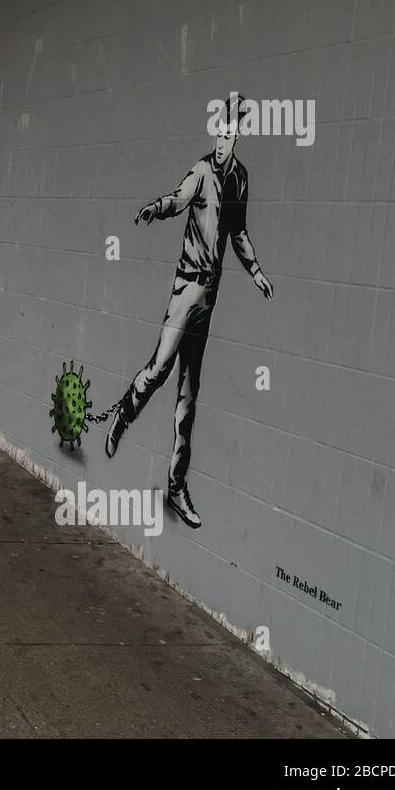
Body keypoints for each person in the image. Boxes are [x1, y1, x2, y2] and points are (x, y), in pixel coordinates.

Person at [105, 96, 273, 529]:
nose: (221, 141)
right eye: (217, 133)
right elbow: (178, 199)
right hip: (186, 288)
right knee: (160, 370)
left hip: (210, 297)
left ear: (237, 137)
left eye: (228, 135)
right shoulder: (201, 172)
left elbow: (238, 232)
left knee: (189, 395)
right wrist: (155, 208)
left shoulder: (239, 179)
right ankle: (124, 414)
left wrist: (254, 270)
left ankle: (176, 486)